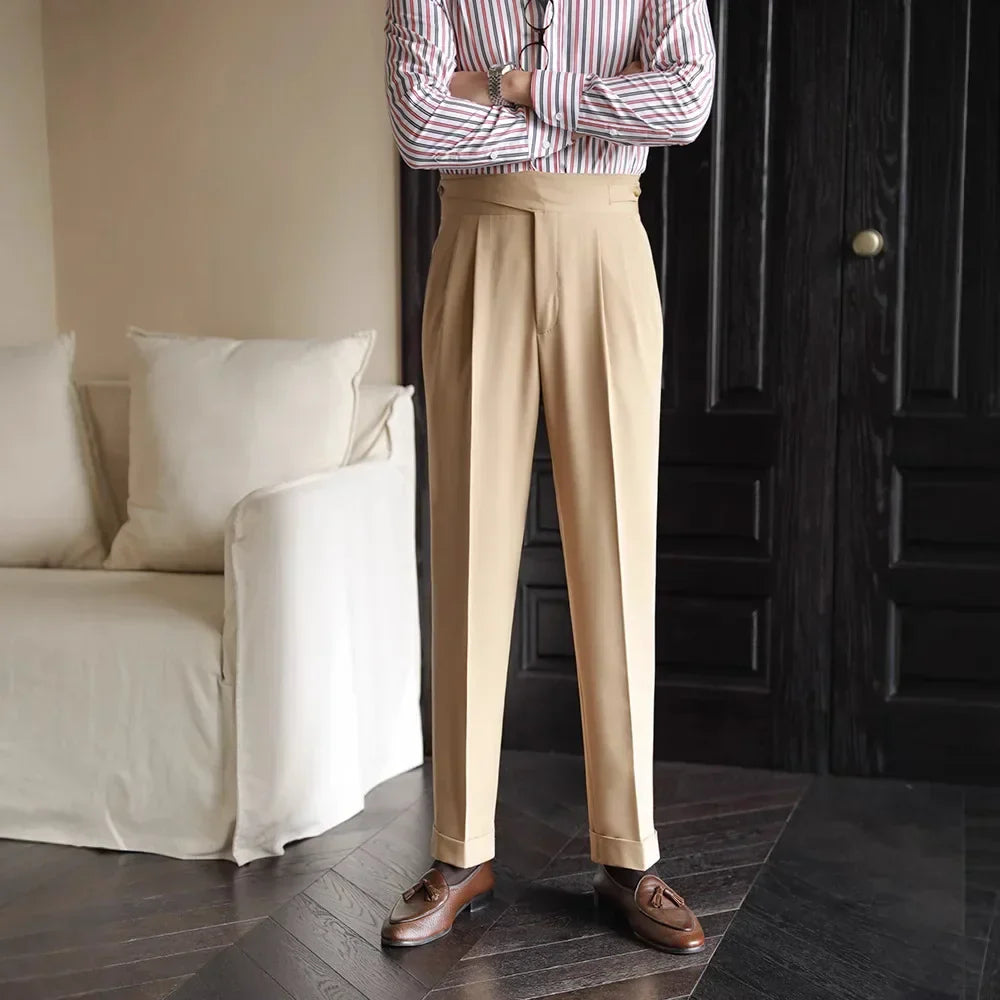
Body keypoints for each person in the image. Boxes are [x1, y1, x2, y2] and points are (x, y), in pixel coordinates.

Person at [381, 0, 716, 953]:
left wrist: (514, 86)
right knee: (468, 547)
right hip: (476, 237)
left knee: (617, 552)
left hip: (607, 242)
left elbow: (685, 102)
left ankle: (629, 855)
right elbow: (418, 123)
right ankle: (460, 852)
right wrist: (594, 112)